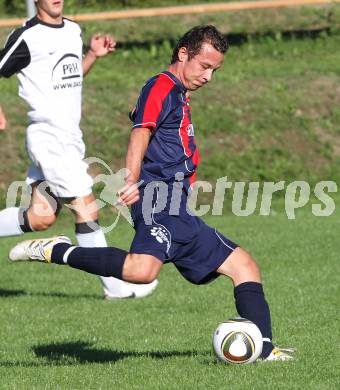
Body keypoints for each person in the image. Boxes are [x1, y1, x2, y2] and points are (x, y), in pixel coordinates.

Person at [9, 25, 294, 361]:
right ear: (184, 53)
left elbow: (145, 117)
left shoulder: (175, 91)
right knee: (142, 272)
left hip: (179, 209)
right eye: (205, 66)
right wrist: (129, 178)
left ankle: (262, 349)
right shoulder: (161, 85)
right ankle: (61, 251)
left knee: (244, 265)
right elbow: (140, 131)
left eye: (215, 70)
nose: (209, 77)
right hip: (157, 203)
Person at [0, 0, 158, 299]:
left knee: (41, 217)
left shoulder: (73, 30)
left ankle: (114, 285)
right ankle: (116, 287)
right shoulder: (27, 36)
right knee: (86, 207)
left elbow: (69, 79)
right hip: (49, 138)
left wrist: (92, 55)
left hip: (69, 136)